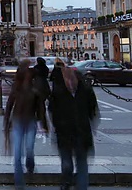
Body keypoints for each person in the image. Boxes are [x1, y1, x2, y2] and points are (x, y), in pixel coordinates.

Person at [49, 58, 100, 190]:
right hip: (76, 132)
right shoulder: (85, 90)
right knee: (78, 164)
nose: (70, 83)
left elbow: (52, 110)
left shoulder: (59, 90)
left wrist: (55, 126)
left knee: (72, 162)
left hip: (69, 132)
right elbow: (93, 110)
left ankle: (68, 184)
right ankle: (73, 184)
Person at [3, 59, 49, 189]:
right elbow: (9, 105)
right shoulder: (16, 88)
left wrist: (44, 125)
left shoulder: (35, 90)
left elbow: (41, 108)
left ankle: (30, 166)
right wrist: (6, 123)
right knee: (17, 153)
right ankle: (19, 184)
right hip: (18, 122)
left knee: (29, 149)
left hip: (30, 122)